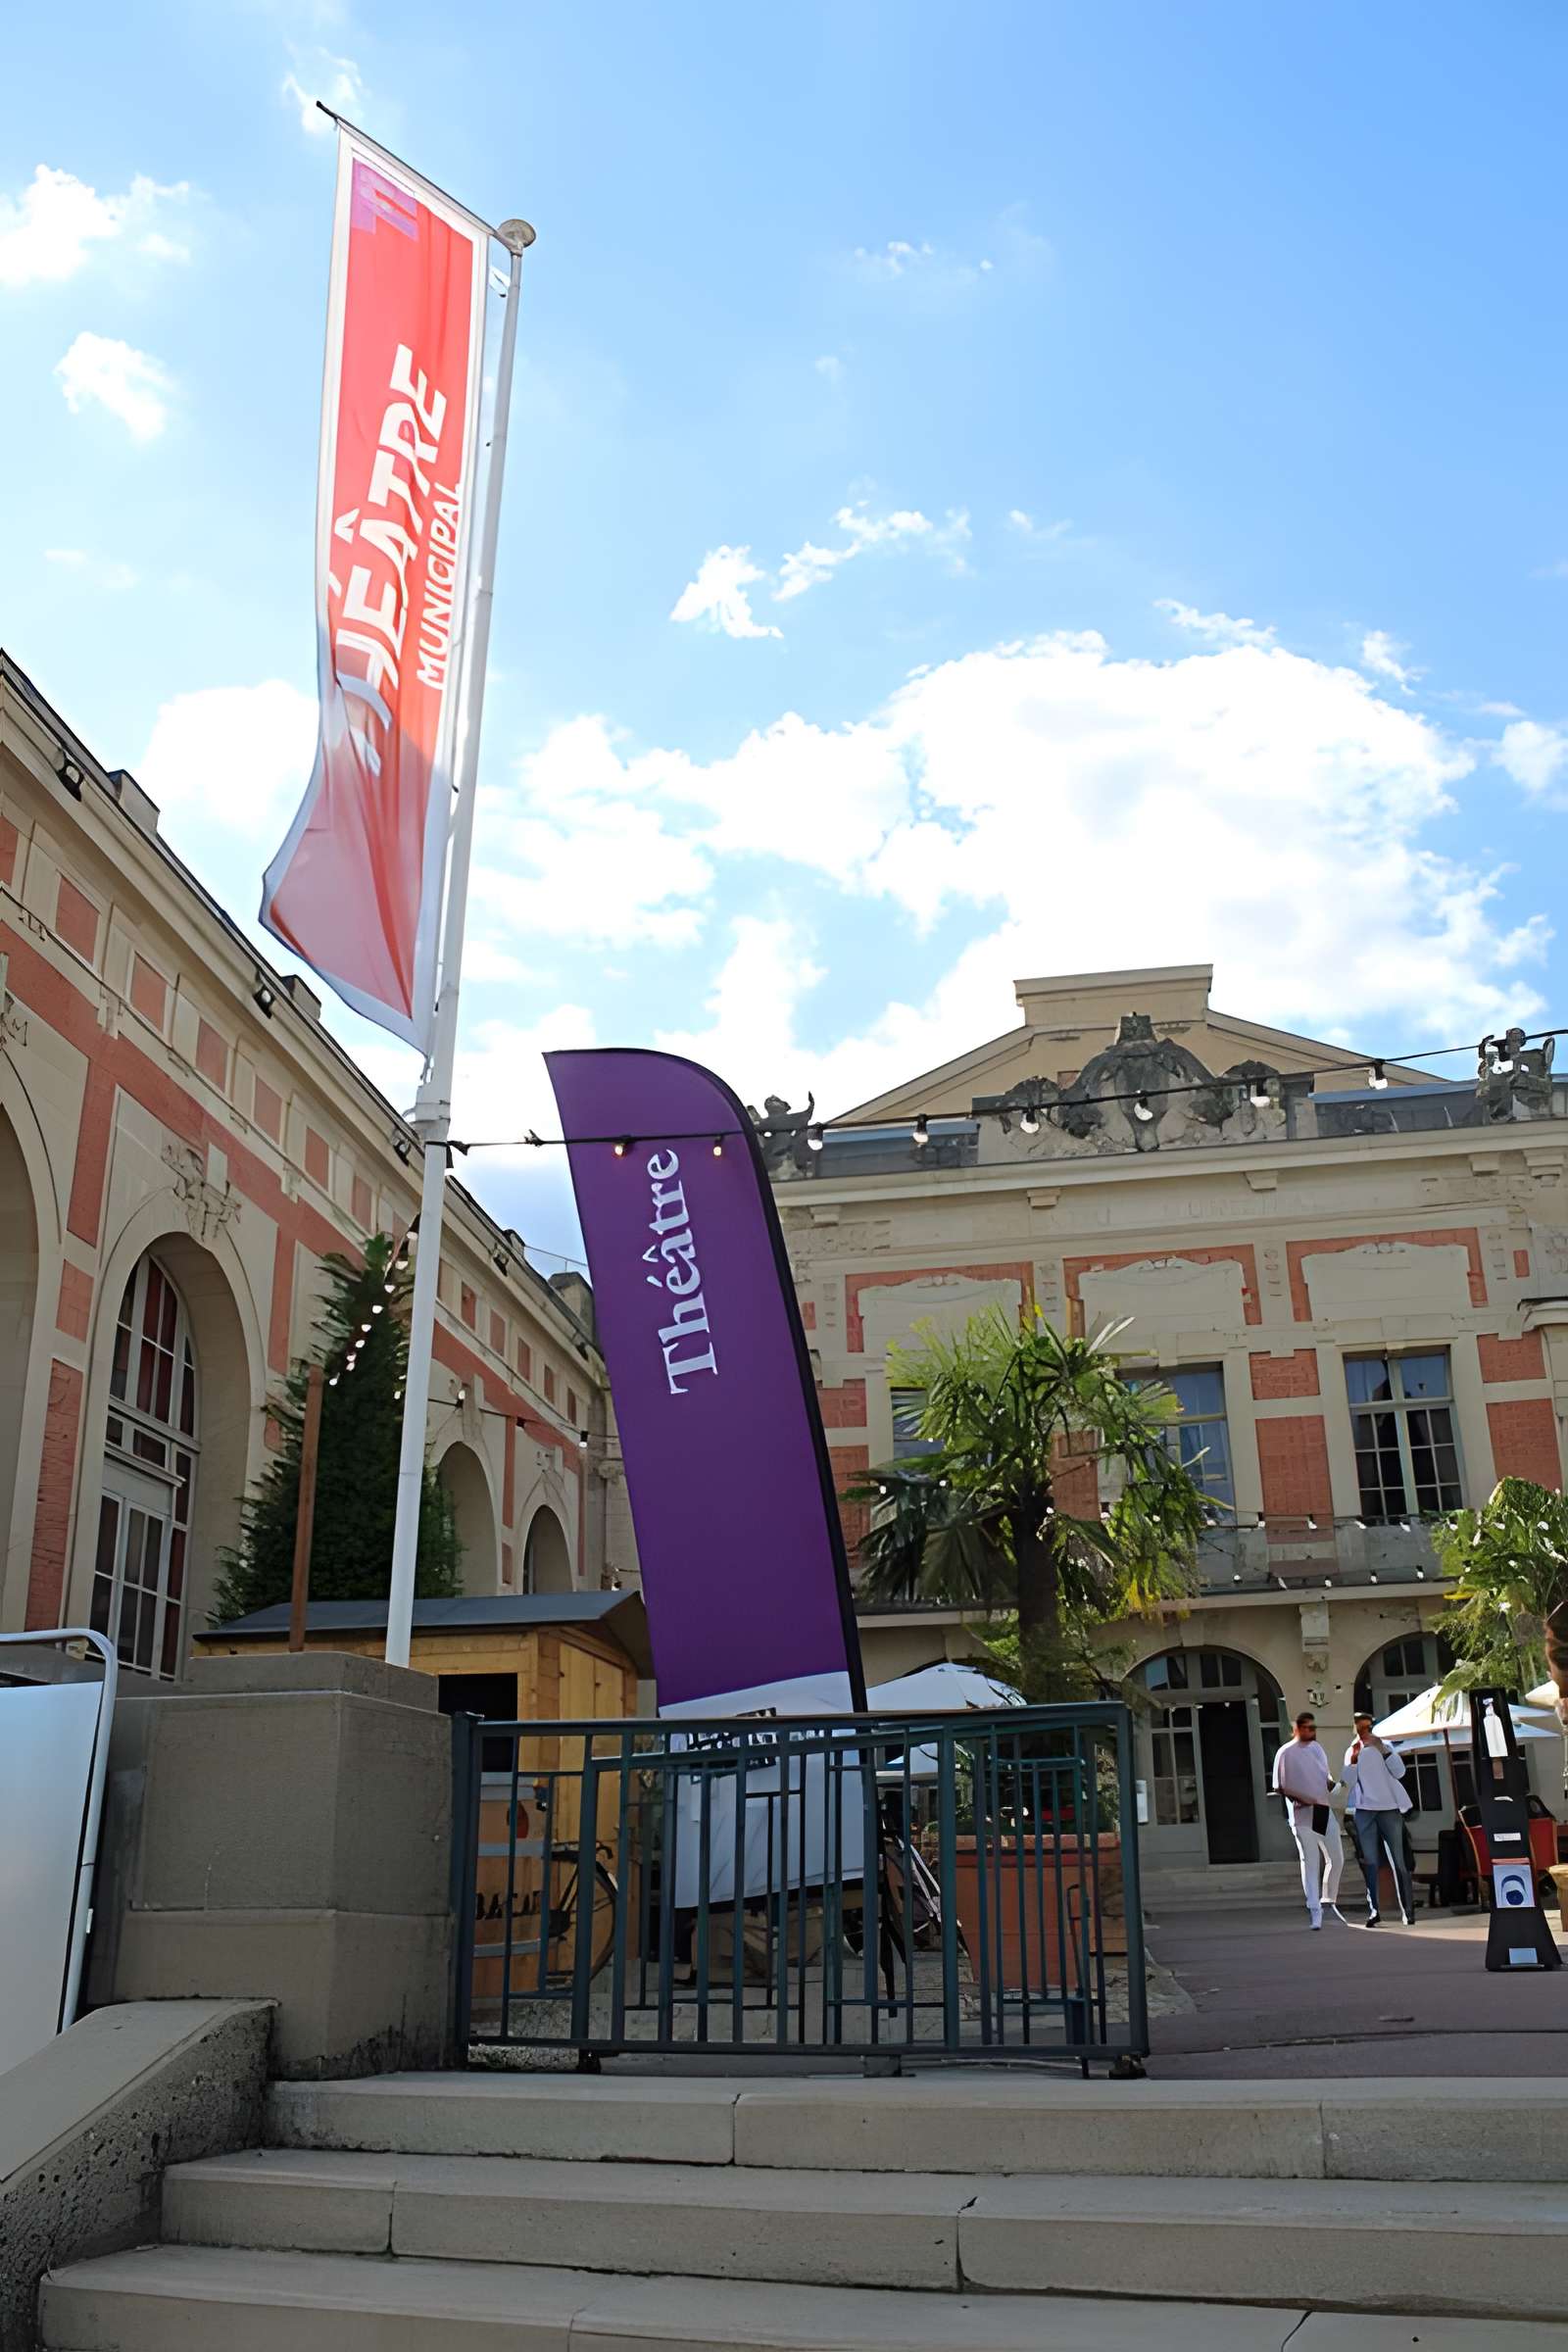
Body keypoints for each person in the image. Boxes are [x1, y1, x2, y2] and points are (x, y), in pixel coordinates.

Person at [1272, 1707, 1344, 1929]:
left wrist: (1335, 1785)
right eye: (1307, 1728)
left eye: (1313, 1727)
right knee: (1311, 1862)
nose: (1311, 1731)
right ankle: (1315, 1910)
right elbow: (1279, 1786)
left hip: (1322, 1809)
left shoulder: (1317, 1748)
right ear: (1297, 1729)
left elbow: (1325, 1776)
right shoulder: (1285, 1752)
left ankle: (1327, 1900)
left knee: (1336, 1858)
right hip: (1302, 1813)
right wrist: (1300, 1798)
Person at [1344, 1711, 1415, 1927]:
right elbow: (1348, 1781)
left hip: (1389, 1809)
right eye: (1360, 1727)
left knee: (1398, 1861)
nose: (1365, 1732)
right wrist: (1353, 1760)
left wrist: (1382, 1749)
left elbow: (1400, 1772)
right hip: (1365, 1811)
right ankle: (1374, 1911)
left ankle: (1408, 1911)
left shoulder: (1386, 1746)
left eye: (1368, 1727)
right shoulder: (1352, 1750)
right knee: (1371, 1862)